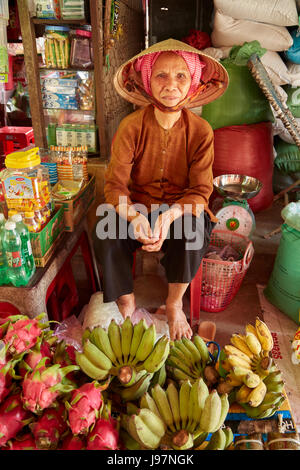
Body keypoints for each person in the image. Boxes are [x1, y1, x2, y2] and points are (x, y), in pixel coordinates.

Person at [93, 38, 228, 341]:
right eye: (161, 76)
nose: (171, 84)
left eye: (181, 75)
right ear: (147, 81)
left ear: (193, 82)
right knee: (104, 225)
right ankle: (126, 302)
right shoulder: (131, 126)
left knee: (194, 229)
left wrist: (168, 219)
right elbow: (115, 185)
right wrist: (134, 217)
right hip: (138, 205)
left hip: (181, 208)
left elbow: (201, 190)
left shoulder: (201, 131)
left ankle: (174, 303)